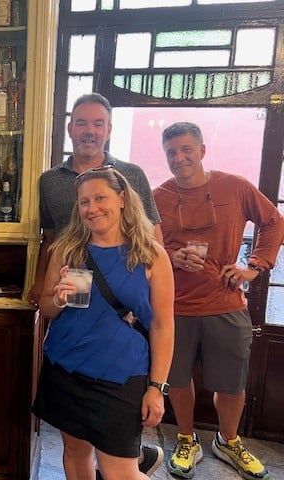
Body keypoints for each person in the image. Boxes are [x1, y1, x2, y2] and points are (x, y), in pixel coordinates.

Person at [28, 92, 165, 477]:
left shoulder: (132, 176)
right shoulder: (50, 183)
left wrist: (157, 385)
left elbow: (153, 245)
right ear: (70, 128)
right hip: (70, 345)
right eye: (82, 123)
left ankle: (136, 459)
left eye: (98, 123)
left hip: (121, 360)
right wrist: (43, 289)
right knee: (75, 451)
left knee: (117, 465)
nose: (92, 208)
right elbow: (49, 239)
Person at [153, 122, 283, 480]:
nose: (179, 158)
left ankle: (228, 440)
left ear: (202, 150)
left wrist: (253, 267)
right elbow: (145, 246)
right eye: (171, 152)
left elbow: (274, 222)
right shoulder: (158, 197)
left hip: (226, 304)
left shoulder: (234, 186)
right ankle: (186, 438)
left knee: (231, 383)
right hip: (174, 307)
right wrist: (172, 257)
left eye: (186, 149)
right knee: (177, 378)